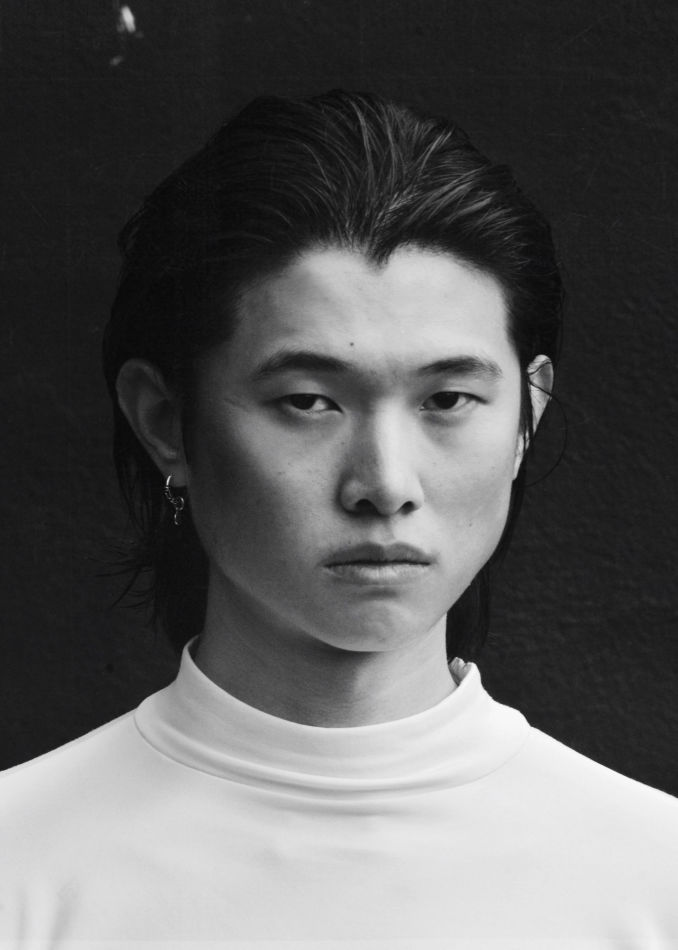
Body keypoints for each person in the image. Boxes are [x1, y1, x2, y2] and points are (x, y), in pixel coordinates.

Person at [1, 90, 676, 948]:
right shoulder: (21, 868)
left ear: (526, 416)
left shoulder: (652, 881)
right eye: (309, 401)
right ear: (167, 421)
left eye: (448, 399)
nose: (384, 484)